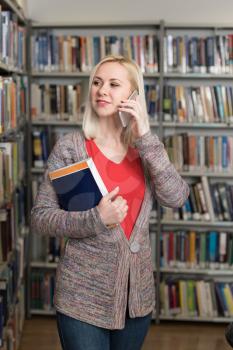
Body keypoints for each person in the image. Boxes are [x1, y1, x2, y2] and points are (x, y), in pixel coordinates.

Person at [31, 55, 189, 350]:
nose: (102, 90)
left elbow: (176, 197)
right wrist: (96, 218)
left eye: (114, 84)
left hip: (136, 299)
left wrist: (145, 136)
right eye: (97, 82)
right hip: (82, 299)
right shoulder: (72, 148)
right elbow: (41, 217)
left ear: (133, 96)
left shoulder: (146, 151)